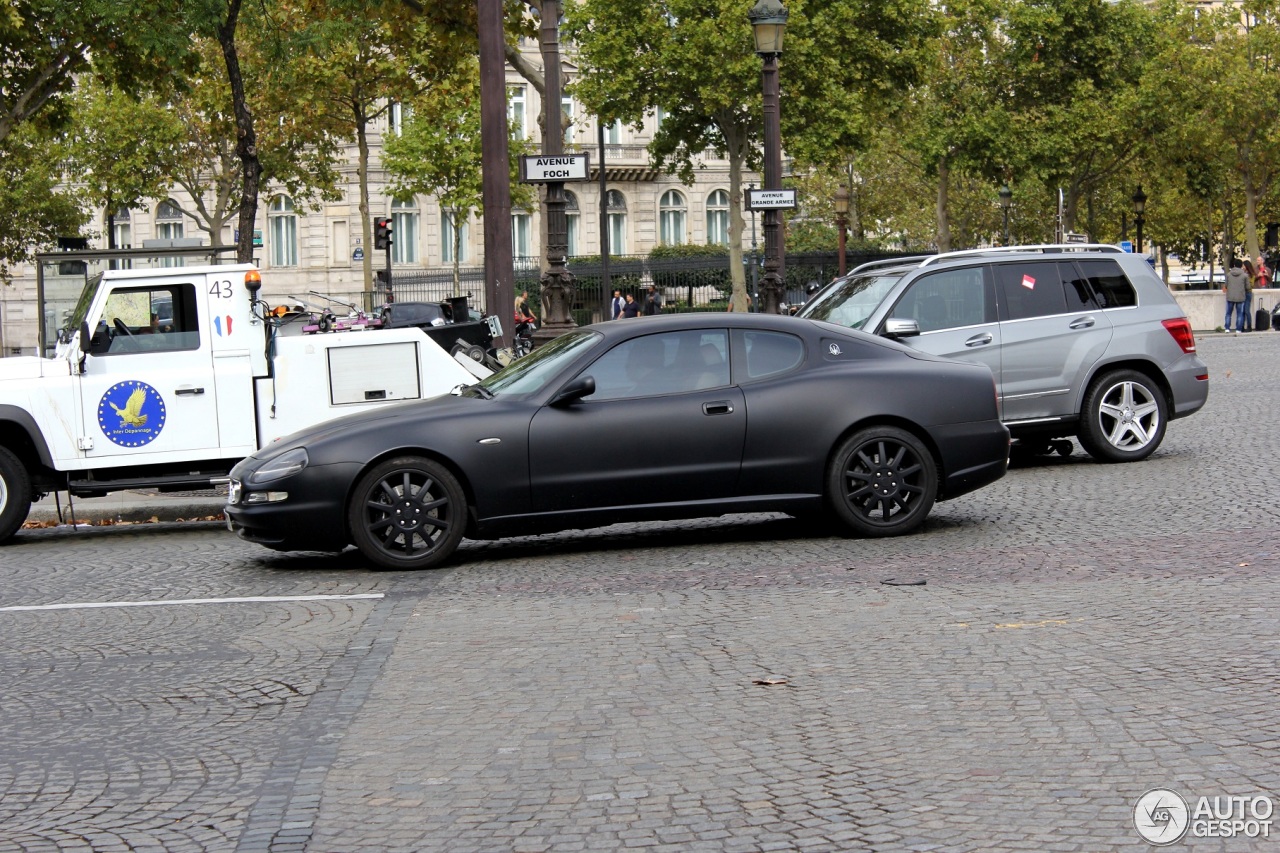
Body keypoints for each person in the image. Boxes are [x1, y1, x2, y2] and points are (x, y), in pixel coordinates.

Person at [1224, 259, 1251, 334]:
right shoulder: (1245, 275)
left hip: (1230, 297)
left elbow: (1226, 285)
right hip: (1240, 297)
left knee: (1228, 313)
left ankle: (1227, 328)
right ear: (1241, 266)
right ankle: (1238, 329)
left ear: (1234, 265)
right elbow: (1248, 287)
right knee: (1240, 314)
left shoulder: (1229, 275)